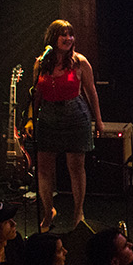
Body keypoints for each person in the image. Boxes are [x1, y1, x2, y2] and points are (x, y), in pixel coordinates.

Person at [31, 19, 103, 232]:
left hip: (75, 115)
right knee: (44, 168)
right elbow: (36, 94)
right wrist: (29, 120)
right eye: (63, 34)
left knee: (75, 166)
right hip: (48, 116)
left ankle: (78, 212)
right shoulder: (41, 63)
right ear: (53, 38)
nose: (68, 38)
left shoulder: (80, 62)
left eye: (71, 35)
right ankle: (47, 212)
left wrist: (98, 121)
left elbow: (91, 92)